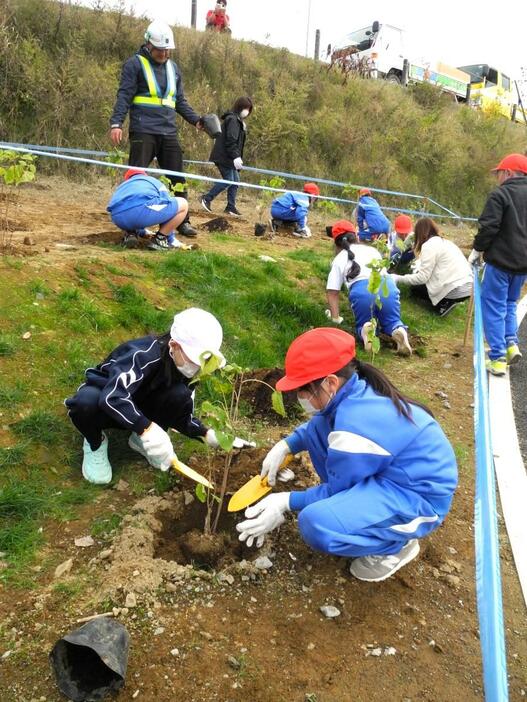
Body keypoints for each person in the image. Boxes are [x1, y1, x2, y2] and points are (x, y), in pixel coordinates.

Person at [235, 327, 458, 582]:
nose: (300, 397)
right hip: (393, 474)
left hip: (418, 496)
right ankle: (355, 513)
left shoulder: (356, 425)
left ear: (331, 382)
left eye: (304, 390)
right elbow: (314, 431)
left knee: (315, 523)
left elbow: (338, 490)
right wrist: (286, 445)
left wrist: (286, 502)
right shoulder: (352, 394)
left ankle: (395, 547)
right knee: (318, 426)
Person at [65, 308, 250, 485]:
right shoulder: (143, 355)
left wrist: (207, 434)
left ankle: (139, 441)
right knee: (84, 405)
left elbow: (182, 415)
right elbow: (112, 397)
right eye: (194, 360)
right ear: (174, 345)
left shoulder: (187, 372)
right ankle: (95, 442)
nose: (197, 368)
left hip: (142, 401)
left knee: (180, 395)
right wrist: (146, 428)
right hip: (109, 395)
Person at [109, 20, 203, 239]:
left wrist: (196, 121)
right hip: (143, 130)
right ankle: (131, 228)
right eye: (160, 50)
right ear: (148, 44)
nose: (164, 54)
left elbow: (179, 101)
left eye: (167, 50)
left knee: (177, 176)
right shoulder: (135, 64)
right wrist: (116, 123)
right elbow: (124, 95)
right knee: (136, 176)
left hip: (168, 132)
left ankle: (182, 220)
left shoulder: (173, 68)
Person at [468, 153, 527, 376]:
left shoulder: (501, 195)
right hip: (523, 265)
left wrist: (477, 249)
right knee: (510, 303)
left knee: (493, 305)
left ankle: (497, 358)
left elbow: (489, 227)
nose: (497, 178)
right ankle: (511, 343)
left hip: (500, 262)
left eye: (499, 173)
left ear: (509, 173)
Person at [325, 220, 412, 355]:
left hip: (362, 292)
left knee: (363, 323)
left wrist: (335, 318)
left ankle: (367, 332)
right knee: (392, 320)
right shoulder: (372, 250)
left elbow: (332, 292)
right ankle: (398, 330)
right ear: (357, 236)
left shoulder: (339, 259)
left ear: (336, 243)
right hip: (386, 286)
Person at [391, 217, 472, 317]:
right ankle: (448, 300)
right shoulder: (445, 242)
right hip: (469, 286)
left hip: (455, 288)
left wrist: (398, 278)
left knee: (416, 288)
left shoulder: (429, 245)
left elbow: (422, 278)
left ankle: (444, 302)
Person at [107, 168, 189, 251]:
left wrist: (143, 232)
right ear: (144, 174)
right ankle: (160, 239)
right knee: (183, 204)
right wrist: (170, 237)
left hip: (117, 217)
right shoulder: (151, 180)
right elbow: (166, 203)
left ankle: (131, 234)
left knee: (130, 208)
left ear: (128, 178)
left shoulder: (123, 186)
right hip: (141, 211)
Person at [201, 97, 253, 217]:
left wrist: (237, 157)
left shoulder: (238, 121)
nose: (247, 111)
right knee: (229, 180)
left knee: (235, 181)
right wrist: (235, 156)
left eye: (249, 109)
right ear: (240, 107)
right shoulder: (233, 120)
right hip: (224, 156)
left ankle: (230, 206)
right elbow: (231, 140)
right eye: (246, 108)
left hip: (230, 157)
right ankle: (206, 198)